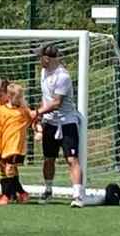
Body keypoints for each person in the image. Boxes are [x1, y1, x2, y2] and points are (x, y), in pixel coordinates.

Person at [34, 44, 86, 208]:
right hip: (49, 123)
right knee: (48, 159)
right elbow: (45, 97)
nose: (39, 61)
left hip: (66, 122)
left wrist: (36, 112)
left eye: (40, 57)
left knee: (71, 159)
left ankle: (78, 195)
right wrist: (41, 118)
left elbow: (56, 102)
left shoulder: (63, 76)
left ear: (47, 58)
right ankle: (48, 190)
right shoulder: (43, 72)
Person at [0, 83, 36, 205]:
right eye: (18, 97)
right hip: (4, 145)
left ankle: (7, 196)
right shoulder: (1, 110)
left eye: (21, 97)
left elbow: (33, 119)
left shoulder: (23, 111)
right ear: (9, 96)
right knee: (6, 170)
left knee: (9, 168)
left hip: (16, 146)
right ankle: (21, 193)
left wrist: (38, 130)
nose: (20, 100)